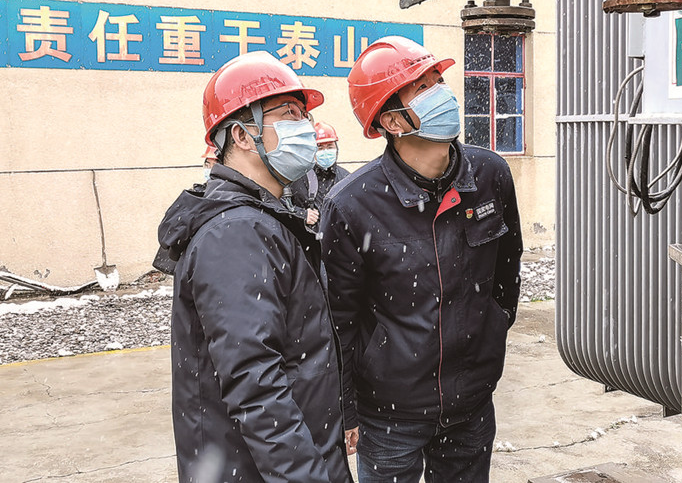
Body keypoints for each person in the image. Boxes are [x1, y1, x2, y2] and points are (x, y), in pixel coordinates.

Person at [320, 36, 523, 482]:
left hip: (472, 402)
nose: (443, 94)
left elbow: (507, 271)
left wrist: (491, 328)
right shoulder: (352, 204)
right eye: (423, 87)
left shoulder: (490, 175)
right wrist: (346, 408)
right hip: (390, 416)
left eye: (439, 80)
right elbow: (339, 320)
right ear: (392, 120)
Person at [157, 50, 352, 483]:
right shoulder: (237, 232)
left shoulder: (262, 218)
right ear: (242, 136)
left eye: (304, 115)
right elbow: (256, 385)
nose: (305, 127)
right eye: (288, 114)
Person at [151, 146, 218, 275]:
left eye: (214, 164)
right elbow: (169, 228)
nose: (209, 169)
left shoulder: (222, 196)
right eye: (207, 164)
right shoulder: (197, 194)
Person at [290, 121, 350, 229]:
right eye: (320, 148)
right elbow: (281, 205)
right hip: (307, 237)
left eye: (330, 147)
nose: (325, 152)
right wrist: (302, 214)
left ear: (336, 149)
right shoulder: (297, 178)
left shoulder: (346, 178)